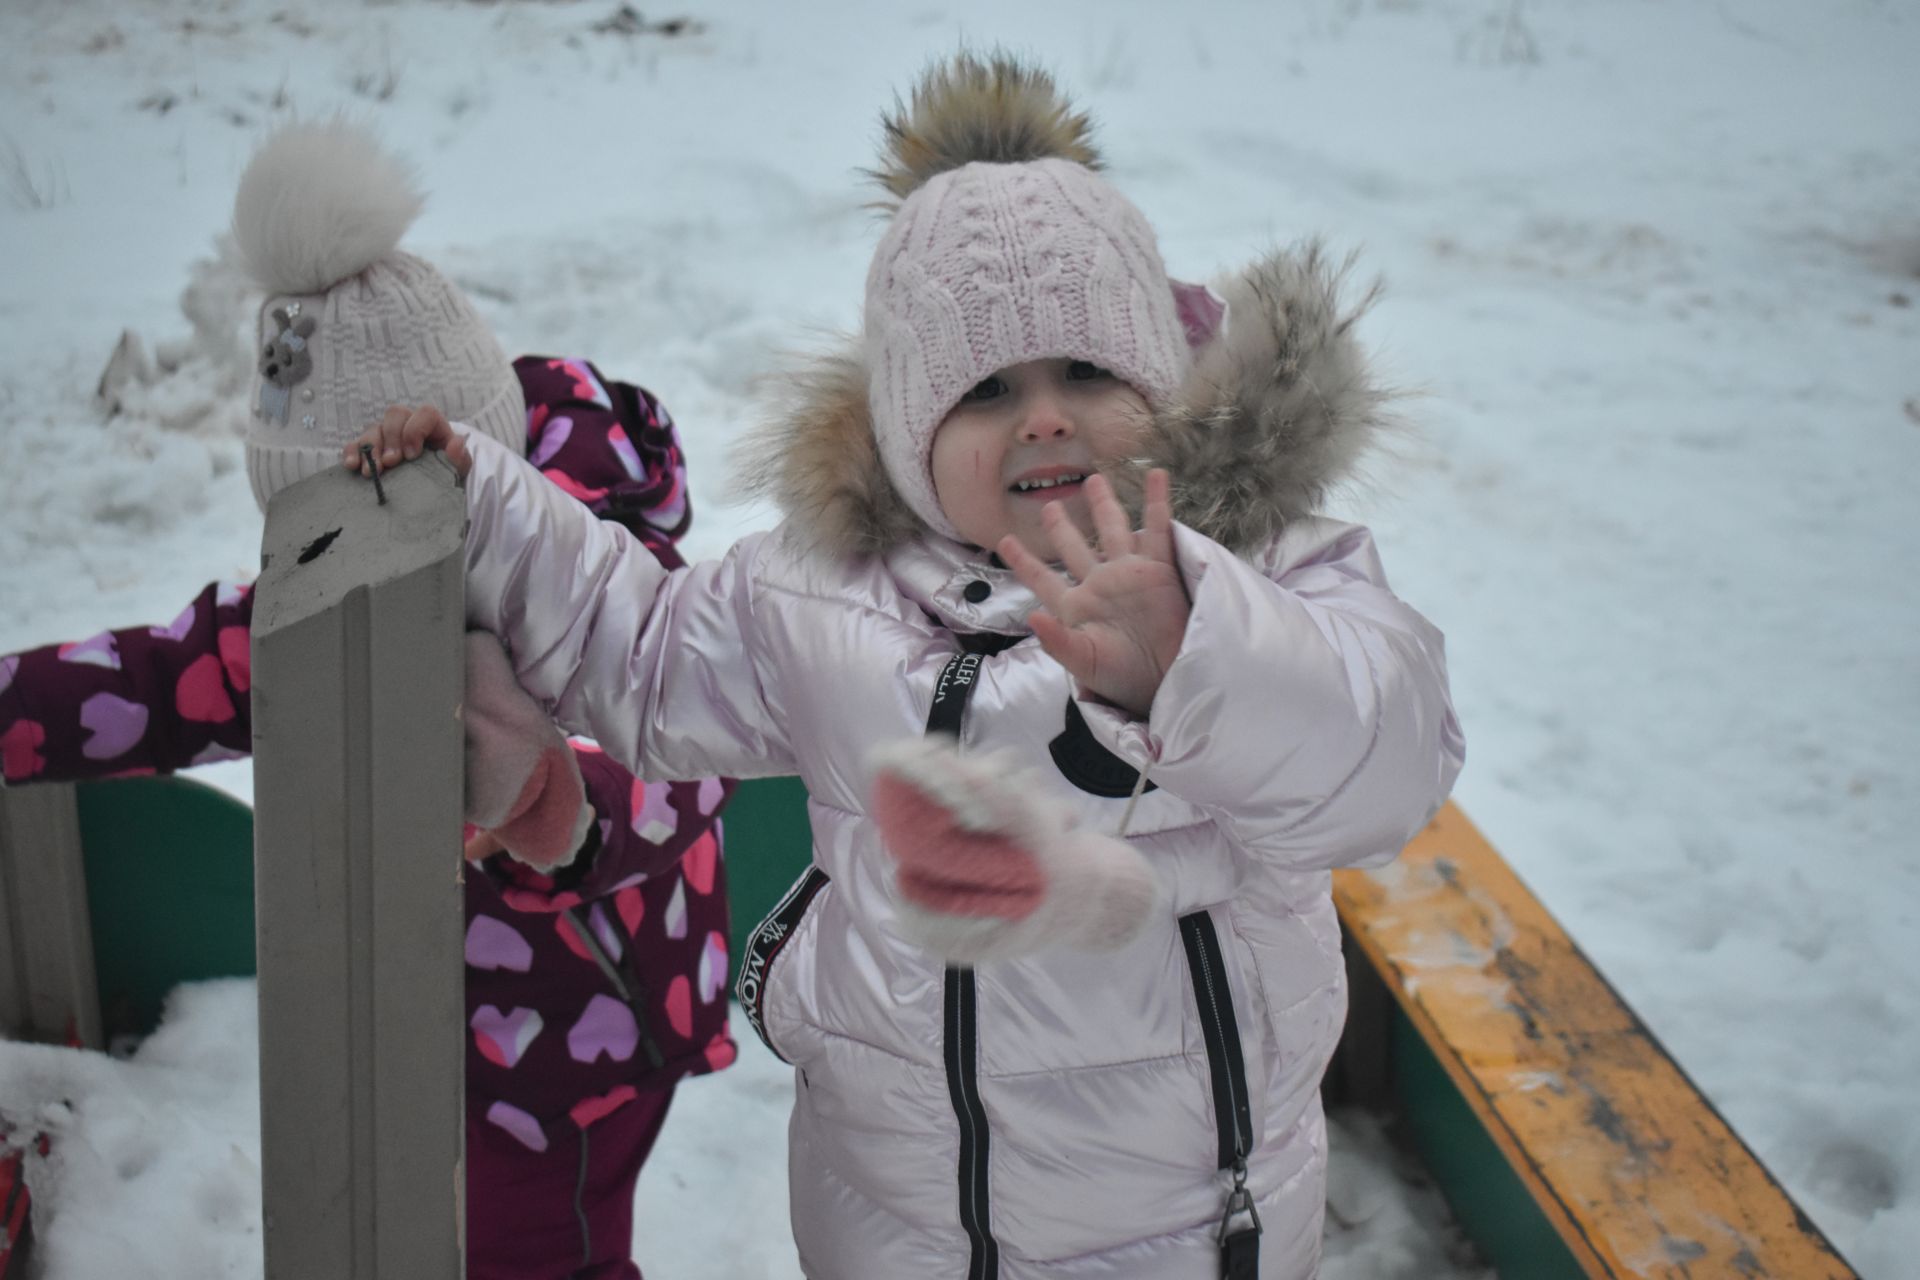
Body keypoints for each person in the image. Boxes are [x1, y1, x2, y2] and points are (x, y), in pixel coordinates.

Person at [348, 51, 1465, 1279]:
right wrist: (485, 502)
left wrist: (1193, 656)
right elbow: (650, 658)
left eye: (1090, 373)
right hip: (897, 1215)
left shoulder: (1258, 565)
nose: (1045, 416)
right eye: (985, 389)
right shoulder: (825, 594)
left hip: (1188, 1228)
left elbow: (1387, 757)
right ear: (904, 430)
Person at [0, 120, 734, 1280]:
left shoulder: (600, 575)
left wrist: (556, 802)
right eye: (311, 536)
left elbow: (687, 755)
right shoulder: (319, 621)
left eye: (368, 532)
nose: (347, 569)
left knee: (546, 1257)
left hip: (599, 1025)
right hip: (460, 1027)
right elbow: (147, 681)